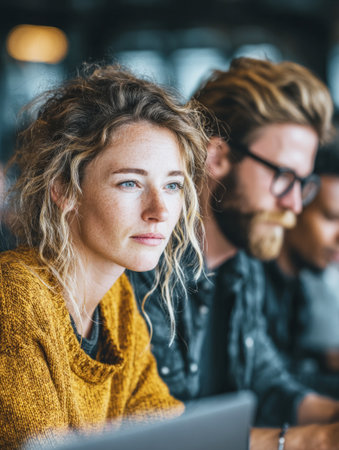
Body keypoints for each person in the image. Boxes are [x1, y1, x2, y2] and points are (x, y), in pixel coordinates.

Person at [128, 57, 339, 449]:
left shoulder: (243, 262)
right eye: (283, 177)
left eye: (303, 183)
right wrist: (310, 441)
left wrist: (330, 416)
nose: (294, 205)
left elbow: (266, 378)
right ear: (219, 157)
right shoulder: (144, 267)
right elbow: (161, 434)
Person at [0, 64, 208, 449]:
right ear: (64, 190)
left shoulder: (117, 302)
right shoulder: (15, 299)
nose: (160, 210)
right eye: (130, 182)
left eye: (173, 185)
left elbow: (167, 433)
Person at [263, 141, 339, 399]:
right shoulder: (249, 283)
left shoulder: (298, 289)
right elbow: (265, 390)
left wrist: (321, 358)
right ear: (296, 204)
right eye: (331, 218)